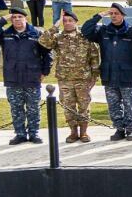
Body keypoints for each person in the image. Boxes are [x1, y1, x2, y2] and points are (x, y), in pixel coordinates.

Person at [0, 6, 51, 145]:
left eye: (20, 17)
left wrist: (45, 72)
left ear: (26, 18)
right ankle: (20, 134)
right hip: (12, 77)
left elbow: (47, 53)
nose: (17, 19)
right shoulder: (5, 34)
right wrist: (2, 20)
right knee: (16, 108)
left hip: (32, 76)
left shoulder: (36, 34)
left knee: (33, 108)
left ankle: (34, 133)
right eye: (14, 17)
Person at [81, 4, 132, 141]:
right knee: (113, 105)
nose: (114, 16)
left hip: (127, 75)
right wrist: (99, 15)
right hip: (109, 74)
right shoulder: (103, 31)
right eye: (112, 13)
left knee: (129, 104)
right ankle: (119, 129)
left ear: (123, 15)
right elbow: (86, 31)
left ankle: (130, 129)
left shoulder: (131, 32)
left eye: (117, 13)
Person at [38, 10, 101, 143]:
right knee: (68, 107)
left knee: (84, 106)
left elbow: (94, 57)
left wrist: (95, 76)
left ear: (76, 22)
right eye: (65, 21)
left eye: (70, 21)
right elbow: (43, 41)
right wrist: (56, 25)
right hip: (65, 79)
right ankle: (73, 132)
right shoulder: (58, 38)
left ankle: (84, 132)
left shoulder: (85, 37)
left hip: (83, 79)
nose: (67, 23)